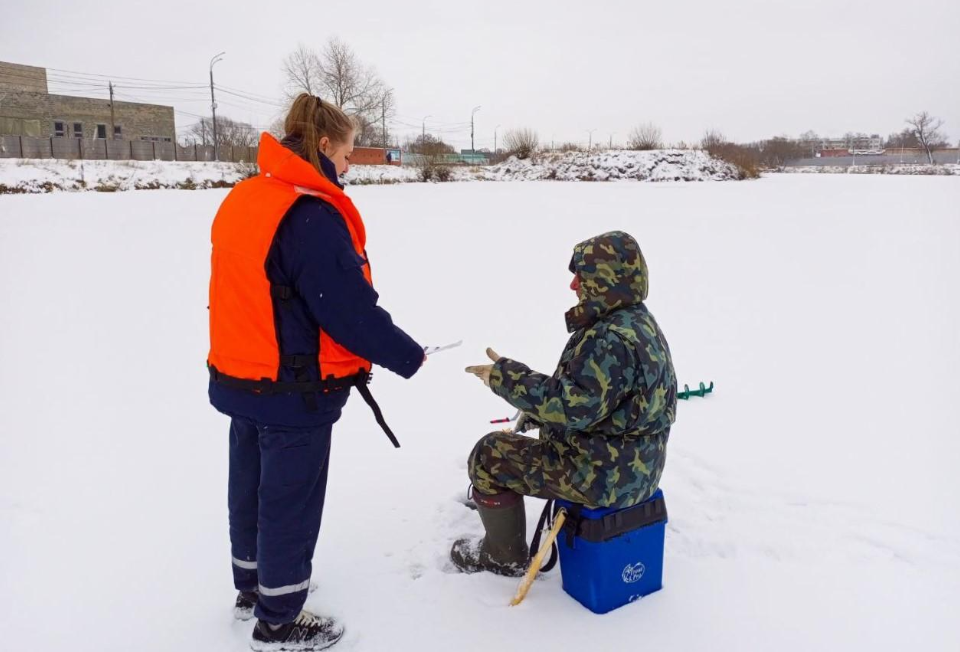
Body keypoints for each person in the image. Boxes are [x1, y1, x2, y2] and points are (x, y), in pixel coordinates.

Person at [207, 93, 425, 650]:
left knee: (250, 489)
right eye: (349, 153)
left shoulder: (248, 197)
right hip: (292, 389)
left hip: (241, 376)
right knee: (289, 502)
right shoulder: (309, 215)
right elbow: (348, 311)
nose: (350, 166)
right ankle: (278, 621)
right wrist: (407, 354)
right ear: (324, 146)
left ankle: (253, 586)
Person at [453, 231, 676, 576]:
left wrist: (505, 378)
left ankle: (501, 557)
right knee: (524, 435)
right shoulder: (637, 321)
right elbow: (596, 399)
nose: (574, 285)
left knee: (489, 455)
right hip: (639, 466)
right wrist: (537, 406)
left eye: (583, 276)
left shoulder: (608, 338)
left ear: (608, 280)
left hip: (606, 478)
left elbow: (573, 407)